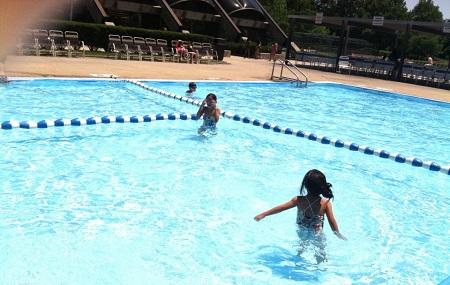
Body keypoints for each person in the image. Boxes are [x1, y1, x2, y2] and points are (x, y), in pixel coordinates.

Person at [254, 169, 346, 263]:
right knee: (321, 254)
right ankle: (319, 267)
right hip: (317, 233)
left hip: (302, 229)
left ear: (305, 185)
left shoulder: (298, 200)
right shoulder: (325, 203)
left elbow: (281, 208)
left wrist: (264, 214)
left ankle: (298, 259)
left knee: (301, 247)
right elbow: (332, 221)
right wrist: (338, 233)